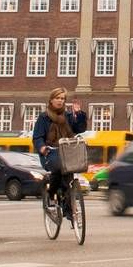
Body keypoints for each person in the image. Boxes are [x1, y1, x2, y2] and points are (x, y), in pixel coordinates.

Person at [32, 88, 88, 216]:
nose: (60, 101)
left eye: (62, 98)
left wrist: (78, 114)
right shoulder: (44, 117)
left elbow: (80, 128)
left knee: (68, 177)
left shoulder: (68, 116)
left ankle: (69, 211)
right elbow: (37, 137)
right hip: (50, 152)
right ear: (51, 100)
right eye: (57, 98)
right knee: (58, 167)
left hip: (67, 151)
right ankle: (51, 196)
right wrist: (42, 147)